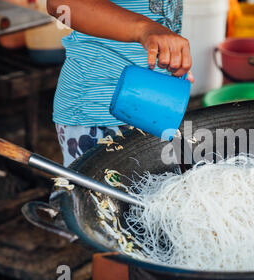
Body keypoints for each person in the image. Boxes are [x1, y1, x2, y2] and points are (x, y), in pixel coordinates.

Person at [47, 0, 193, 166]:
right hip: (99, 109)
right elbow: (59, 4)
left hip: (155, 102)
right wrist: (144, 29)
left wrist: (173, 58)